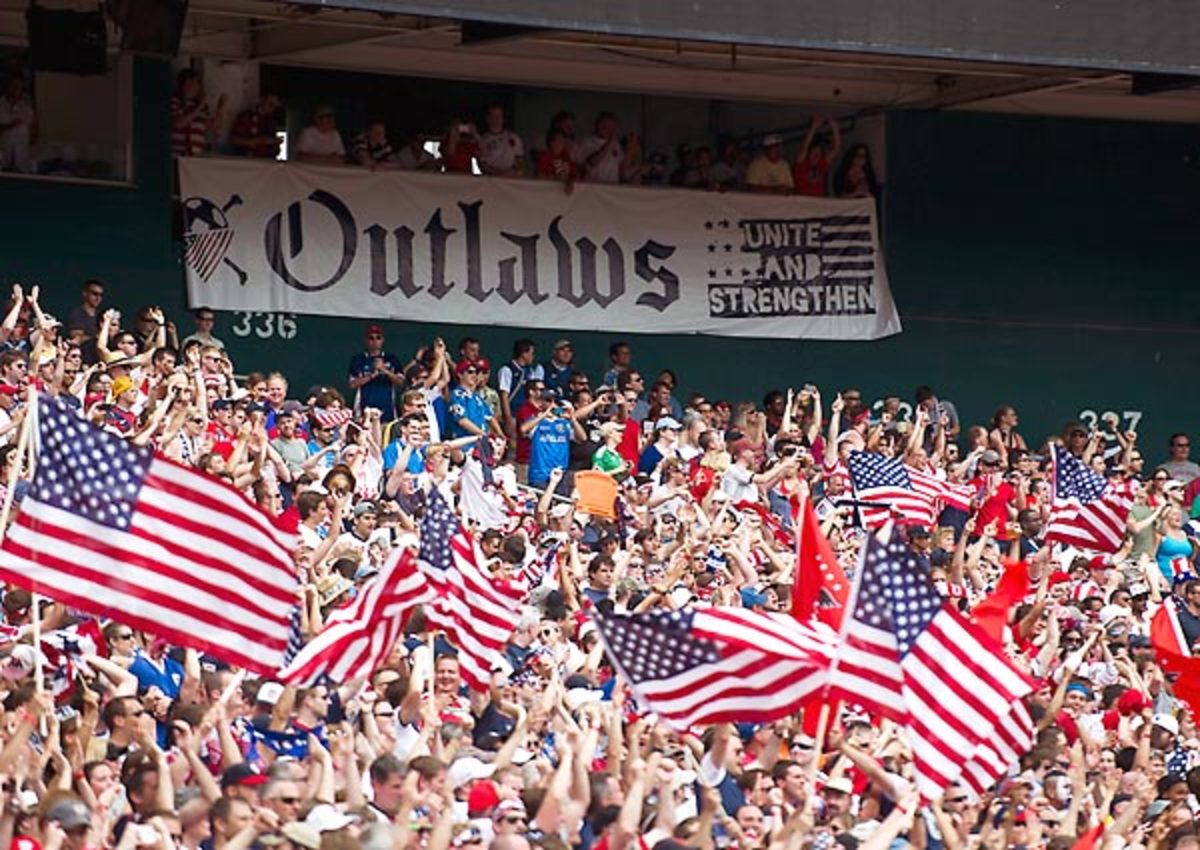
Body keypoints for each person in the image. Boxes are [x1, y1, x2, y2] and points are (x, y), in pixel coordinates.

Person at [347, 324, 403, 420]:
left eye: (378, 338)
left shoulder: (391, 358)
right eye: (371, 338)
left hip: (388, 410)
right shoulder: (358, 360)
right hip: (364, 410)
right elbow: (352, 384)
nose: (375, 341)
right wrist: (372, 375)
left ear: (382, 340)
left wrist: (385, 370)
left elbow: (401, 383)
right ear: (366, 340)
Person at [170, 69, 224, 157]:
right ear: (187, 82)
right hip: (177, 154)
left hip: (196, 155)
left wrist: (220, 107)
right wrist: (200, 107)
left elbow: (212, 128)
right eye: (196, 82)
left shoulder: (201, 106)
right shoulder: (175, 101)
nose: (198, 86)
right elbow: (179, 123)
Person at [792, 116, 840, 196]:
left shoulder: (821, 163)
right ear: (809, 153)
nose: (816, 156)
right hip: (802, 200)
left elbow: (836, 149)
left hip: (818, 200)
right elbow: (804, 147)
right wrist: (813, 127)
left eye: (819, 153)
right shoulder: (802, 162)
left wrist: (835, 128)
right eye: (814, 152)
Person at [0, 74, 36, 173]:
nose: (16, 89)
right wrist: (11, 125)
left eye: (19, 87)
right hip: (2, 158)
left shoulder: (26, 108)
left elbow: (34, 132)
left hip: (21, 163)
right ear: (8, 86)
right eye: (14, 86)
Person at [477, 104, 525, 177]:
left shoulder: (514, 138)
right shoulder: (483, 140)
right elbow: (483, 165)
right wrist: (498, 174)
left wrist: (511, 172)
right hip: (490, 179)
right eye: (494, 116)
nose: (497, 119)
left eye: (499, 116)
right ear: (488, 119)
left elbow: (520, 162)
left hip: (511, 179)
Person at [229, 93, 282, 158]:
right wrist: (253, 142)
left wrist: (275, 143)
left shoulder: (271, 122)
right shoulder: (247, 117)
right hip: (248, 159)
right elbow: (234, 140)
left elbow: (276, 150)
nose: (272, 109)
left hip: (266, 160)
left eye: (275, 107)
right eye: (270, 105)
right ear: (262, 100)